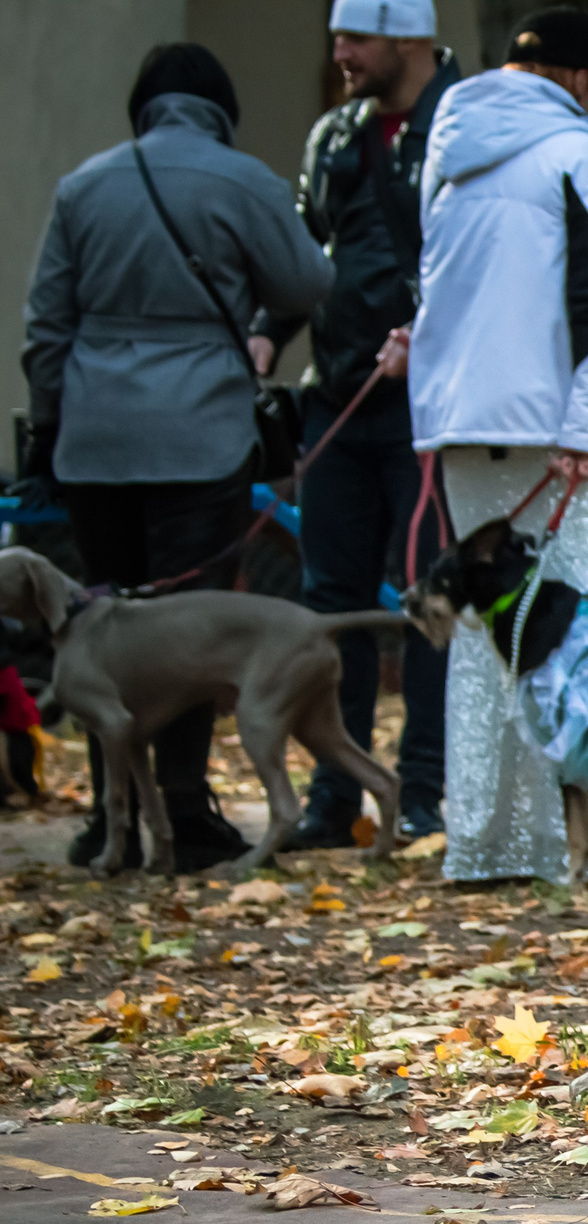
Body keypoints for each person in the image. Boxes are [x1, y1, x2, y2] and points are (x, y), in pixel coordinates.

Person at [21, 42, 334, 872]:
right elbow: (309, 282)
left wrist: (53, 429)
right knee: (193, 637)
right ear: (221, 112)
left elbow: (46, 329)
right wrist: (254, 326)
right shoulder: (245, 180)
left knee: (98, 640)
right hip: (200, 431)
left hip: (96, 439)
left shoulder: (82, 187)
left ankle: (108, 822)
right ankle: (186, 816)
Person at [408, 8, 588, 881]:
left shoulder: (444, 153)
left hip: (463, 426)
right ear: (581, 81)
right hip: (564, 426)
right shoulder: (585, 154)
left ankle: (489, 840)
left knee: (484, 639)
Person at [252, 0, 460, 851]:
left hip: (426, 405)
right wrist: (268, 326)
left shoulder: (463, 117)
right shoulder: (332, 134)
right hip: (337, 396)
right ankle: (335, 794)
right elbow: (305, 251)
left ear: (409, 38)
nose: (339, 53)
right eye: (337, 37)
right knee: (327, 605)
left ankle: (420, 794)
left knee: (427, 607)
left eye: (357, 39)